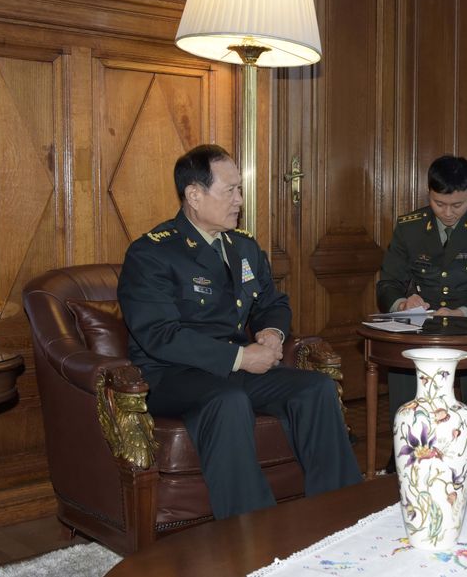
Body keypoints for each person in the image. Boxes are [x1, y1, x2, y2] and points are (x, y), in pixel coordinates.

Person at [118, 144, 362, 519]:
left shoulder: (242, 247)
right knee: (228, 400)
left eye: (240, 190)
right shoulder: (152, 254)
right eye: (230, 190)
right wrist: (240, 357)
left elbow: (272, 302)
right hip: (173, 375)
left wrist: (272, 333)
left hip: (235, 368)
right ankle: (251, 532)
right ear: (194, 195)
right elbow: (160, 335)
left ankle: (340, 514)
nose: (240, 200)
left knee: (316, 388)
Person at [376, 155, 467, 464]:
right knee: (400, 361)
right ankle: (405, 454)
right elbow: (388, 283)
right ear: (429, 193)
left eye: (457, 205)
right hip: (424, 325)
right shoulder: (409, 227)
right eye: (439, 204)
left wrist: (460, 313)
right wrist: (403, 303)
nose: (448, 213)